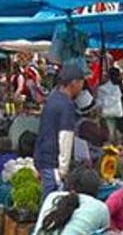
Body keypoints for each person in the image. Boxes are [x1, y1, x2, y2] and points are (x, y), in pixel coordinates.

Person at [34, 63, 86, 193]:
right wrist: (63, 171)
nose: (82, 87)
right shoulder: (66, 105)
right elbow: (65, 137)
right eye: (81, 83)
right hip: (54, 165)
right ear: (73, 83)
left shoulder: (52, 99)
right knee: (53, 207)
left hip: (44, 161)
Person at [97, 68, 123, 145]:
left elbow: (99, 103)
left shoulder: (102, 88)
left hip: (105, 115)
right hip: (118, 115)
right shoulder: (119, 87)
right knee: (114, 135)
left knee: (108, 135)